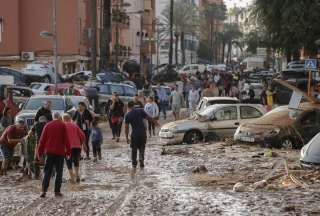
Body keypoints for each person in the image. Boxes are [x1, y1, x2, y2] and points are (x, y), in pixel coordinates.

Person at [36, 112, 70, 198]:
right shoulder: (63, 125)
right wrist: (69, 152)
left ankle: (44, 191)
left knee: (47, 171)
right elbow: (66, 140)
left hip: (49, 152)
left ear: (52, 117)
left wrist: (39, 153)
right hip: (60, 152)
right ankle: (57, 191)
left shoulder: (47, 125)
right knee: (59, 172)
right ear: (59, 118)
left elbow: (42, 140)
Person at [125, 101, 158, 169]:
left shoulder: (127, 115)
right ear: (134, 105)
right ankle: (141, 159)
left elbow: (126, 128)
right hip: (143, 133)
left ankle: (134, 164)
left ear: (128, 107)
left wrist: (126, 138)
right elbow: (148, 118)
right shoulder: (140, 110)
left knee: (134, 149)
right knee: (142, 147)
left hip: (134, 134)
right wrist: (155, 123)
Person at [63, 114, 86, 183]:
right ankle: (77, 176)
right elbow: (82, 135)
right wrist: (84, 145)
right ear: (70, 119)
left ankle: (72, 178)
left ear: (64, 119)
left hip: (67, 147)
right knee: (76, 160)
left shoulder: (63, 126)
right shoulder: (75, 125)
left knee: (68, 161)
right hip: (77, 146)